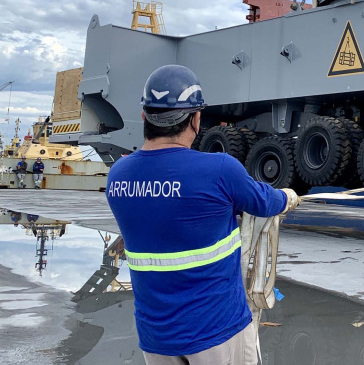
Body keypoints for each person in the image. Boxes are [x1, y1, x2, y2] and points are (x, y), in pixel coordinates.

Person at [106, 64, 300, 364]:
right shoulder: (220, 170)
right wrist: (288, 197)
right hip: (216, 334)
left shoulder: (118, 177)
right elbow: (264, 202)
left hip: (156, 339)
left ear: (144, 116)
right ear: (196, 119)